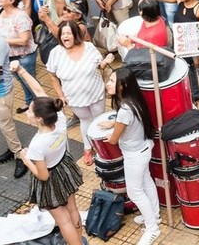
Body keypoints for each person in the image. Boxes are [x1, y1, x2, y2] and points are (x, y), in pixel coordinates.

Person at [9, 61, 85, 245]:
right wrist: (21, 70)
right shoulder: (58, 118)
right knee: (73, 209)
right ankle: (79, 240)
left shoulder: (37, 144)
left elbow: (43, 176)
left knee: (63, 220)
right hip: (64, 168)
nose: (27, 111)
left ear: (39, 118)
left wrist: (26, 159)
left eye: (30, 110)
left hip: (51, 178)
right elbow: (39, 90)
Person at [99, 67, 162, 245]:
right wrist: (114, 122)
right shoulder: (133, 101)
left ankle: (152, 228)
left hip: (134, 155)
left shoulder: (125, 109)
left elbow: (113, 140)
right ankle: (154, 216)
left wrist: (110, 135)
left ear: (123, 85)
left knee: (135, 192)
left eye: (112, 80)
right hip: (144, 148)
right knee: (146, 181)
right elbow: (128, 122)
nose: (108, 84)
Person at [46, 21, 110, 167]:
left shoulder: (89, 47)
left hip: (95, 92)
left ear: (75, 35)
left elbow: (100, 66)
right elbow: (52, 76)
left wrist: (106, 61)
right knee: (85, 121)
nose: (65, 36)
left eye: (69, 33)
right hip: (74, 97)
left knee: (99, 120)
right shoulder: (55, 53)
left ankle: (103, 148)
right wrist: (61, 95)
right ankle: (88, 148)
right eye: (63, 34)